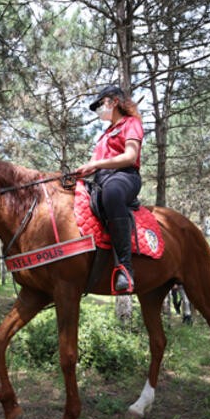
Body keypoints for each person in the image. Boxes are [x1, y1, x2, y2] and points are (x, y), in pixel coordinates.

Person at [77, 85, 144, 294]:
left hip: (125, 176)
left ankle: (125, 267)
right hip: (101, 178)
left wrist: (96, 165)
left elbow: (130, 156)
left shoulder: (131, 123)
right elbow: (93, 163)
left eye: (100, 104)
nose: (98, 109)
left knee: (112, 193)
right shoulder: (104, 134)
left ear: (114, 101)